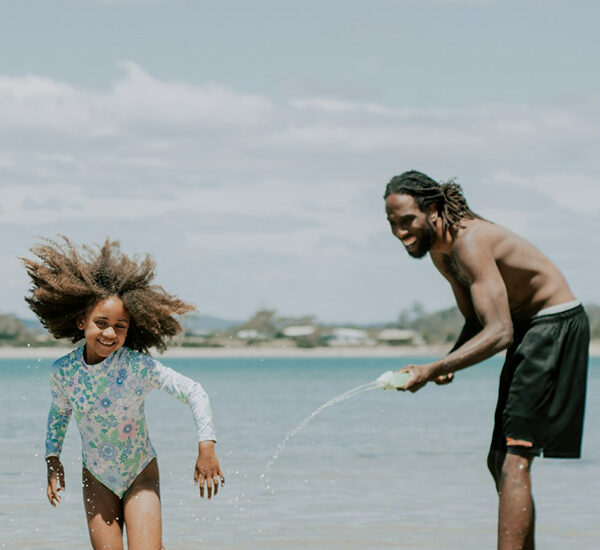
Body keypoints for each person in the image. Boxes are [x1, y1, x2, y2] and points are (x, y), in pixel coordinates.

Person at [384, 171, 589, 550]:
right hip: (528, 327)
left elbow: (499, 333)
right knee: (499, 460)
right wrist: (447, 363)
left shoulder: (471, 241)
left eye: (407, 221)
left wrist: (434, 368)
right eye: (392, 224)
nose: (400, 232)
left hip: (554, 324)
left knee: (516, 458)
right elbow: (477, 321)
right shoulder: (441, 255)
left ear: (431, 210)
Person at [23, 237, 225, 550]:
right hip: (96, 477)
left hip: (140, 472)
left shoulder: (137, 366)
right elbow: (60, 412)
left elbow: (193, 391)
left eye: (120, 326)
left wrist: (206, 445)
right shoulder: (63, 371)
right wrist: (53, 459)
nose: (109, 333)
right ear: (81, 322)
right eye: (101, 323)